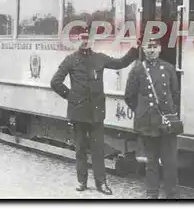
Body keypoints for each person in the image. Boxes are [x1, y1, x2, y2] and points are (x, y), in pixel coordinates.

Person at [50, 30, 139, 195]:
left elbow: (120, 63)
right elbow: (55, 82)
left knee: (98, 150)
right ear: (76, 39)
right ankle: (81, 181)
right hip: (78, 112)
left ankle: (101, 183)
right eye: (82, 37)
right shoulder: (70, 60)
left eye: (88, 38)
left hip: (97, 113)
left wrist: (134, 50)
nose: (85, 41)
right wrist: (70, 96)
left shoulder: (100, 58)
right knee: (80, 149)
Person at [124, 38, 180, 199]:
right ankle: (152, 193)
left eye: (154, 47)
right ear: (143, 49)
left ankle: (172, 194)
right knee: (152, 161)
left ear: (160, 49)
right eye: (148, 47)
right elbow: (129, 96)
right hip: (148, 123)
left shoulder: (168, 68)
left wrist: (170, 114)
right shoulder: (138, 70)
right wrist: (142, 111)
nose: (151, 50)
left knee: (170, 162)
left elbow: (175, 95)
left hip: (166, 122)